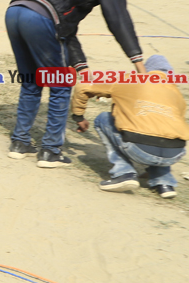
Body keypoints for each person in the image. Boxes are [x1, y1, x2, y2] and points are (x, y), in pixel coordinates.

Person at [5, 0, 143, 166]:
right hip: (41, 17)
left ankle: (20, 142)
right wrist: (139, 64)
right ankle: (51, 151)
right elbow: (118, 17)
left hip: (15, 12)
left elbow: (66, 28)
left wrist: (82, 67)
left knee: (31, 82)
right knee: (61, 85)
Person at [71, 55, 186, 198]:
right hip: (175, 154)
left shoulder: (130, 79)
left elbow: (83, 86)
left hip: (140, 149)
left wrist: (78, 116)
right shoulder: (177, 94)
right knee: (164, 126)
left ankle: (124, 173)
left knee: (103, 118)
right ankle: (164, 182)